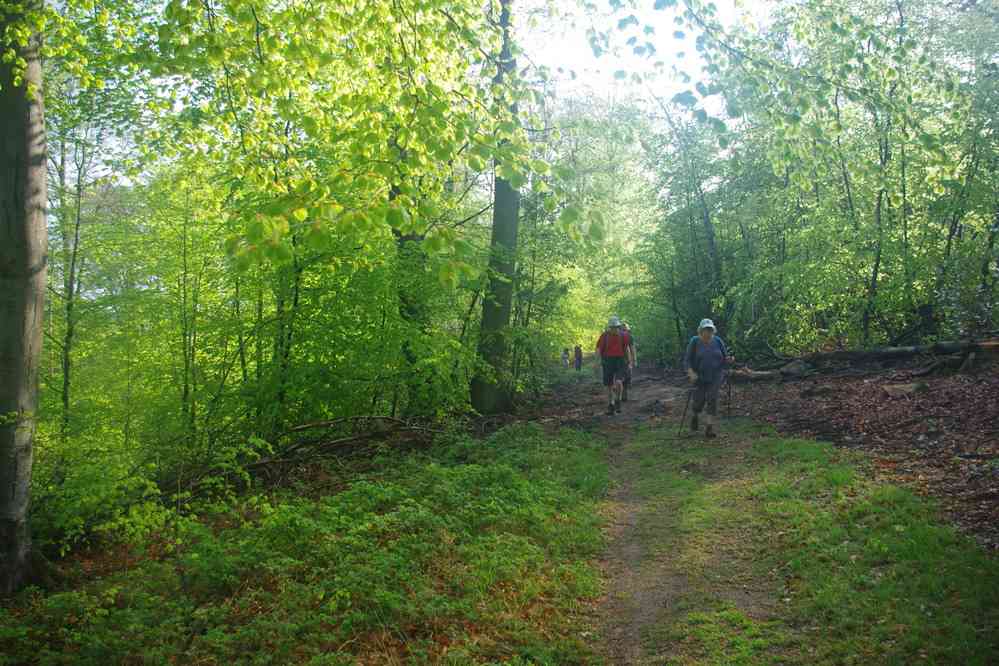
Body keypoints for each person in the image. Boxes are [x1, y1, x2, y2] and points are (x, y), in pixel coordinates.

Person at [684, 318, 734, 438]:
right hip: (699, 376)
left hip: (716, 375)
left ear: (713, 330)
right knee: (698, 402)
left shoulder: (718, 341)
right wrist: (691, 372)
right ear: (700, 331)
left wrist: (729, 360)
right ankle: (695, 415)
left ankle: (709, 427)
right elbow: (687, 360)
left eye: (710, 330)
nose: (708, 332)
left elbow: (725, 358)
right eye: (706, 329)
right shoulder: (694, 341)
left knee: (712, 398)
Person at [596, 316, 632, 415]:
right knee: (609, 385)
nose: (614, 329)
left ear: (618, 326)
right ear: (609, 327)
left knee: (619, 382)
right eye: (612, 327)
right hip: (607, 361)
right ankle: (611, 404)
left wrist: (630, 361)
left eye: (616, 327)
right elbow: (599, 349)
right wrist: (597, 361)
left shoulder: (624, 335)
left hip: (620, 361)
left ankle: (618, 401)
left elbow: (627, 348)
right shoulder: (604, 336)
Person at [621, 323, 637, 401]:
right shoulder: (629, 336)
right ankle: (624, 393)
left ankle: (621, 393)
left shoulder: (617, 335)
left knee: (619, 377)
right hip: (626, 360)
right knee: (627, 376)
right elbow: (632, 349)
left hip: (618, 360)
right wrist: (634, 360)